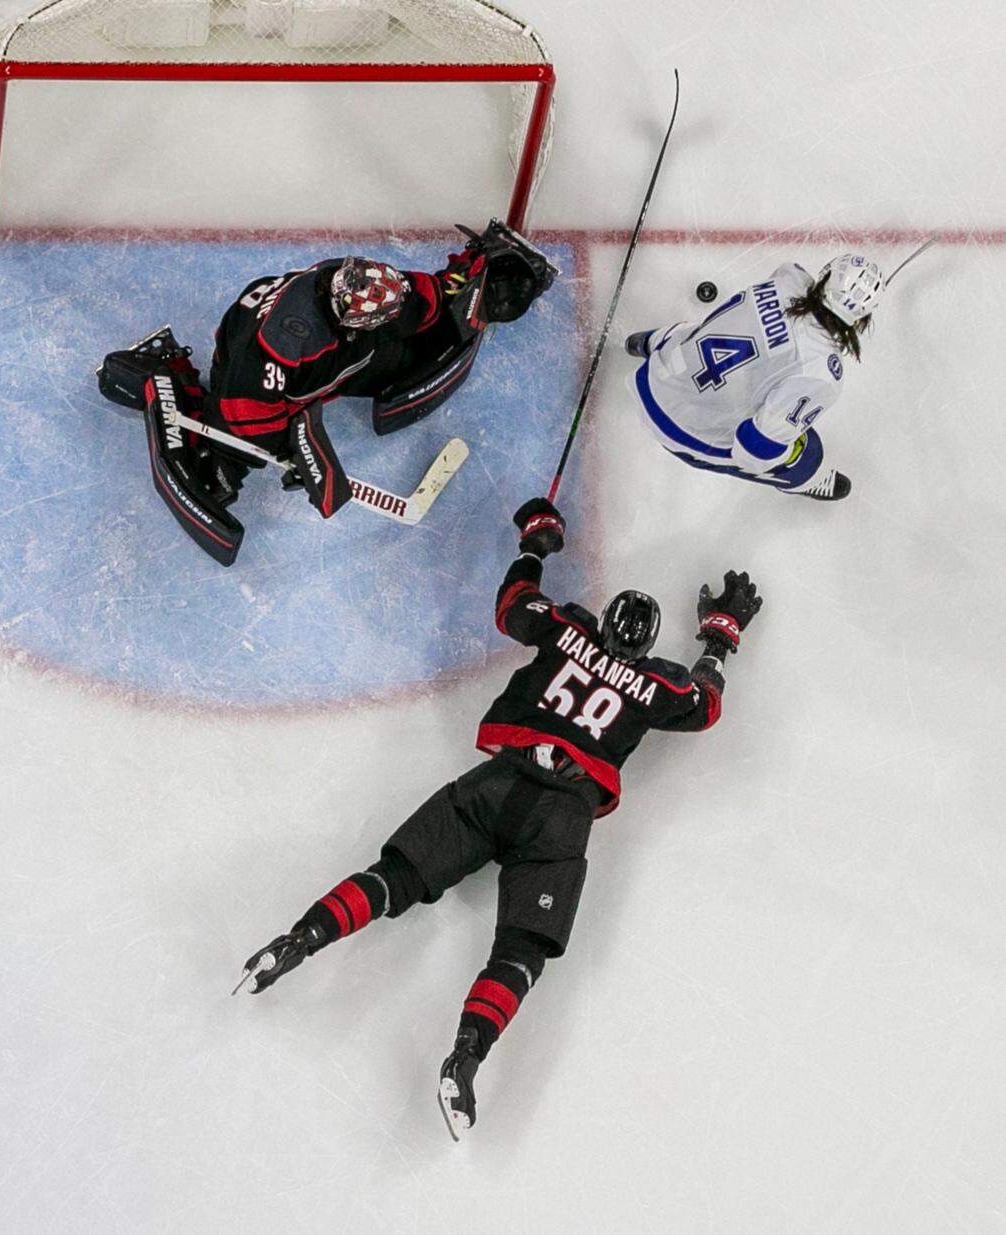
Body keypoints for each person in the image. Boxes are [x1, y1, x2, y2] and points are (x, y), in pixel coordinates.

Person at [234, 497, 763, 1140]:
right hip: (562, 818)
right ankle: (466, 1056)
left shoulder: (570, 629)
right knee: (520, 953)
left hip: (500, 781)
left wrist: (537, 540)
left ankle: (300, 939)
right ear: (647, 645)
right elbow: (704, 705)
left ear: (601, 622)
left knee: (392, 878)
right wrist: (718, 634)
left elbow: (512, 604)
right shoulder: (657, 683)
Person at [96, 223, 556, 561]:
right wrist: (295, 449)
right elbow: (250, 418)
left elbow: (408, 296)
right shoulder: (280, 350)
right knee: (239, 448)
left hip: (288, 356)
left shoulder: (351, 277)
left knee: (421, 327)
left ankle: (478, 268)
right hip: (249, 389)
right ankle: (185, 403)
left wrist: (453, 291)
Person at [624, 254, 885, 501]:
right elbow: (751, 453)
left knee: (704, 332)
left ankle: (648, 343)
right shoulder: (821, 374)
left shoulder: (788, 278)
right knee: (805, 449)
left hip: (656, 373)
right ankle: (808, 478)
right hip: (678, 429)